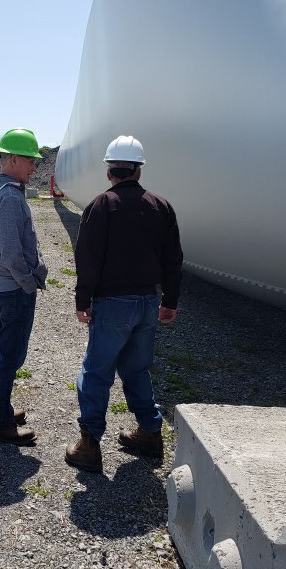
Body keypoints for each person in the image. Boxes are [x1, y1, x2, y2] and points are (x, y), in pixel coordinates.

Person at [65, 135, 183, 473]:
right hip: (148, 301)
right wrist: (170, 300)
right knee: (136, 369)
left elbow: (87, 258)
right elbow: (173, 259)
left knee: (97, 372)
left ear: (109, 171)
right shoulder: (161, 206)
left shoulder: (101, 206)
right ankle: (149, 432)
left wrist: (82, 299)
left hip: (112, 304)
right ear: (139, 170)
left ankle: (89, 445)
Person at [0, 128, 48, 445]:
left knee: (0, 349)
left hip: (1, 286)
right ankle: (1, 423)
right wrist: (29, 282)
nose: (35, 167)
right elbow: (10, 252)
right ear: (13, 158)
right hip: (13, 289)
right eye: (31, 161)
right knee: (10, 355)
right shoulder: (9, 197)